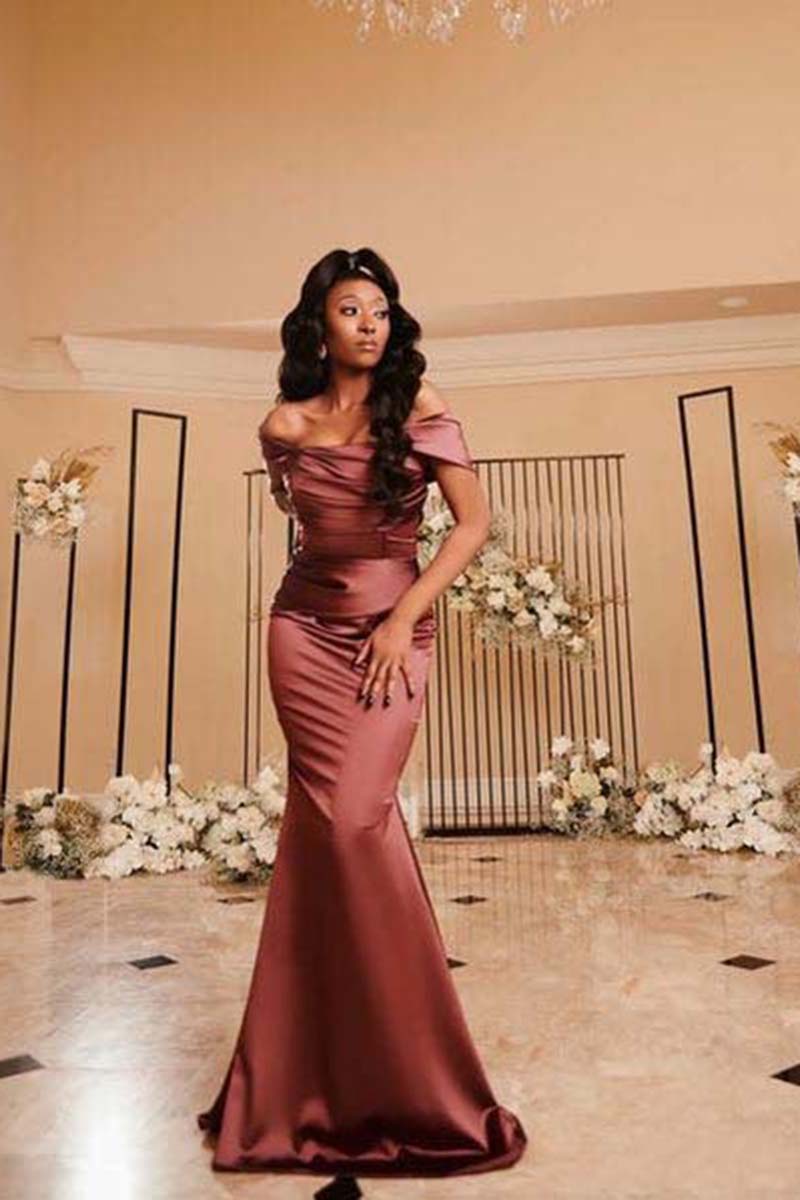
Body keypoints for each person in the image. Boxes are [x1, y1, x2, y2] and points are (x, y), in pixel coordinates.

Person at [197, 247, 528, 1179]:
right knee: (319, 834)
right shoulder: (285, 424)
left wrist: (399, 619)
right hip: (301, 632)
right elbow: (302, 521)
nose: (370, 323)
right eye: (351, 309)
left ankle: (411, 1073)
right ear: (319, 324)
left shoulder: (417, 405)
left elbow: (471, 524)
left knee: (354, 822)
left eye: (380, 309)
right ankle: (299, 1078)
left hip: (393, 632)